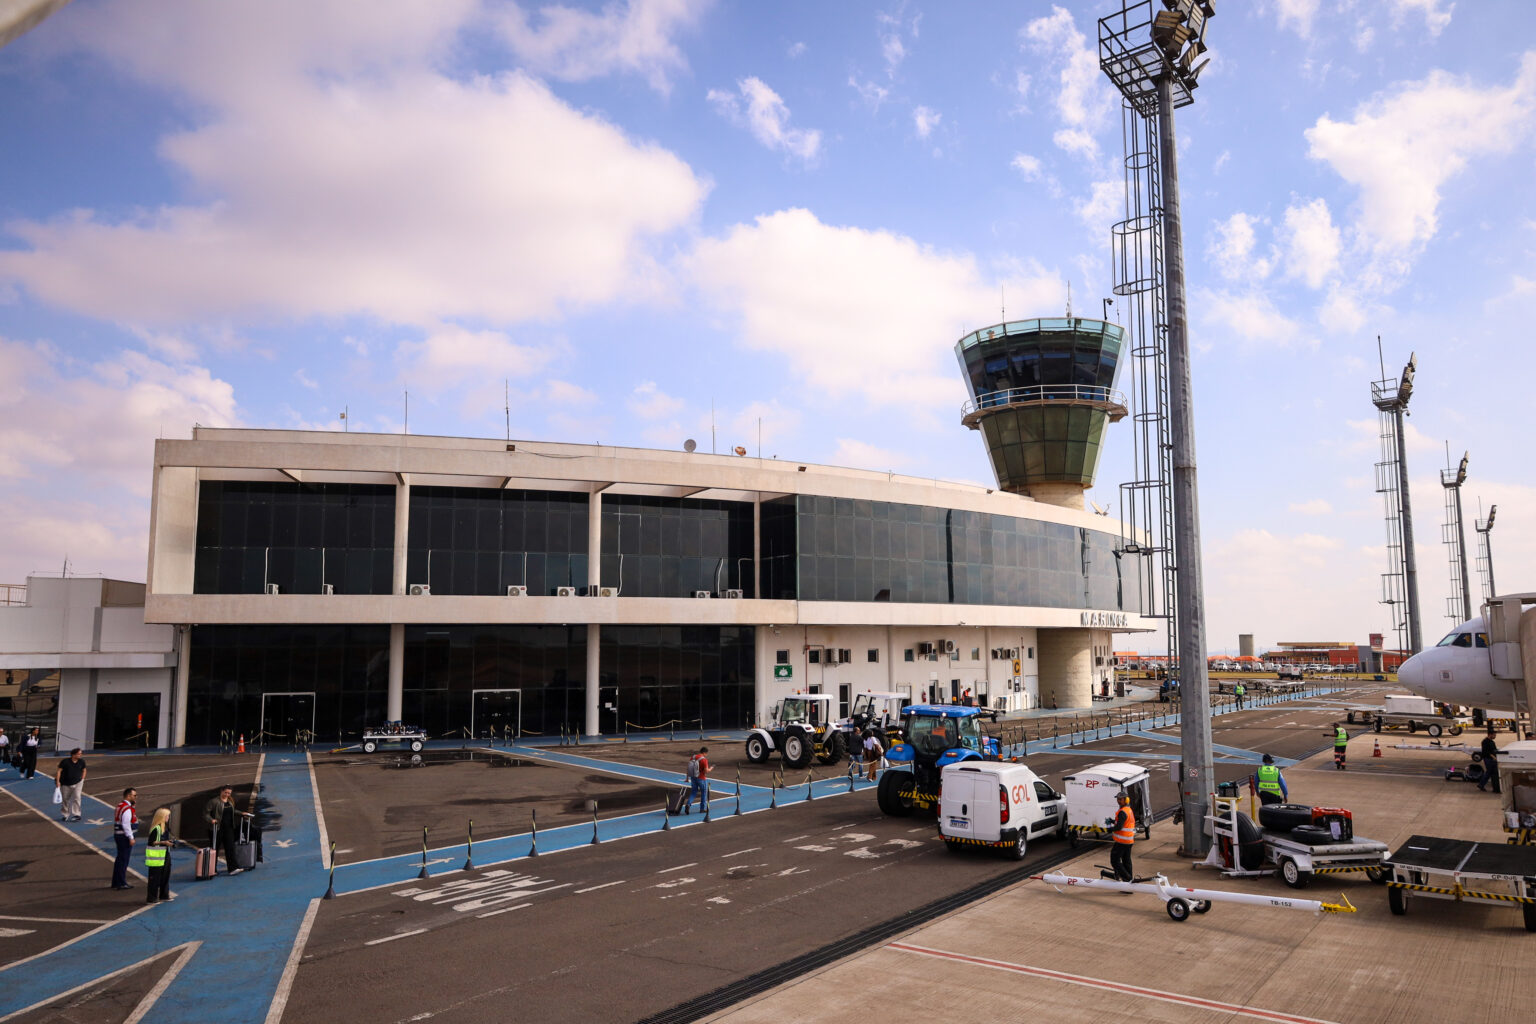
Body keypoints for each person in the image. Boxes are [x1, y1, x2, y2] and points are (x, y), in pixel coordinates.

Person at [203, 786, 244, 875]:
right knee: (215, 849)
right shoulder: (213, 801)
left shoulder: (230, 801)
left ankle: (233, 868)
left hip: (228, 829)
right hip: (216, 829)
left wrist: (242, 813)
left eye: (229, 793)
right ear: (221, 791)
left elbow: (233, 811)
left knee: (230, 848)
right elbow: (206, 814)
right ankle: (212, 870)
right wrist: (211, 820)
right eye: (225, 792)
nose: (227, 795)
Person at [143, 807, 174, 904]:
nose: (168, 817)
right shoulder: (156, 829)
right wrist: (164, 842)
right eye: (167, 815)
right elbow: (152, 842)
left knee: (165, 875)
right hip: (157, 857)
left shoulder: (165, 828)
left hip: (165, 854)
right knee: (154, 878)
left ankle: (164, 895)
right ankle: (151, 897)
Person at [112, 787, 138, 890]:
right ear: (129, 796)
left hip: (119, 835)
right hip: (124, 837)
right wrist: (131, 837)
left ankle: (116, 881)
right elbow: (126, 824)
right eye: (134, 795)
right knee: (123, 860)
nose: (136, 797)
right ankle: (121, 882)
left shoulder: (120, 805)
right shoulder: (127, 809)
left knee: (119, 859)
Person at [1109, 793, 1136, 883]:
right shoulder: (1128, 810)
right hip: (1129, 840)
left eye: (1120, 799)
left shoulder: (1122, 812)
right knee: (1126, 861)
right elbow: (1124, 823)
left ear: (1126, 800)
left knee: (1114, 860)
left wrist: (1109, 829)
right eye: (1118, 799)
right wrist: (1113, 821)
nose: (1118, 801)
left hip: (1122, 841)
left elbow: (1119, 827)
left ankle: (1128, 879)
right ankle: (1128, 885)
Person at [54, 748, 87, 822]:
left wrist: (82, 779)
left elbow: (84, 770)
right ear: (73, 754)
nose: (80, 755)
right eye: (79, 754)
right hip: (65, 783)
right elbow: (59, 771)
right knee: (65, 799)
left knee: (77, 797)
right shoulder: (65, 762)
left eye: (81, 753)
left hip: (78, 782)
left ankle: (77, 814)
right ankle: (65, 814)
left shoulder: (82, 761)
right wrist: (58, 781)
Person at [682, 747, 710, 815]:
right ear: (704, 753)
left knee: (693, 792)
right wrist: (710, 769)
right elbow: (706, 771)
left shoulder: (693, 757)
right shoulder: (704, 760)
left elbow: (688, 768)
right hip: (701, 778)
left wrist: (687, 778)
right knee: (704, 792)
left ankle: (688, 804)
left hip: (693, 777)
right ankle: (702, 809)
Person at [1477, 727, 1502, 794]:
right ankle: (1481, 784)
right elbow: (1486, 752)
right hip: (1488, 759)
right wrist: (1494, 757)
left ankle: (1482, 784)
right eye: (1494, 735)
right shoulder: (1485, 742)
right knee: (1489, 772)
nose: (1495, 736)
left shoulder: (1492, 742)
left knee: (1490, 773)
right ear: (1490, 734)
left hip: (1491, 759)